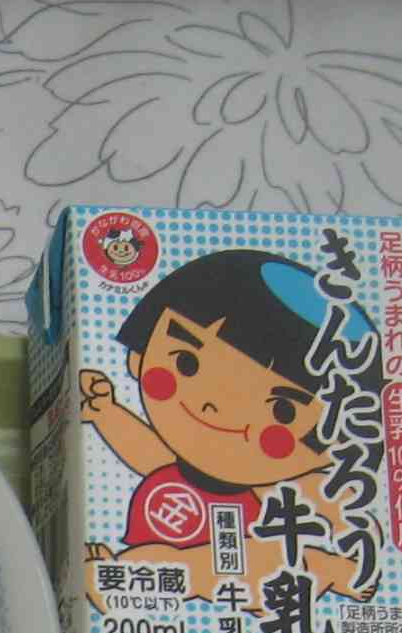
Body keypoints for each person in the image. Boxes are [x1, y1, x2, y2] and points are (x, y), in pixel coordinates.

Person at [76, 248, 379, 612]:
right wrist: (106, 412)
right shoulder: (185, 464)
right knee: (161, 559)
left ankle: (329, 571)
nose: (213, 407)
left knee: (249, 563)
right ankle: (131, 578)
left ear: (328, 449)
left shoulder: (285, 489)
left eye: (282, 411)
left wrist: (350, 546)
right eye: (186, 363)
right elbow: (154, 458)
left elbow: (345, 514)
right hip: (170, 552)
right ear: (138, 356)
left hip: (249, 562)